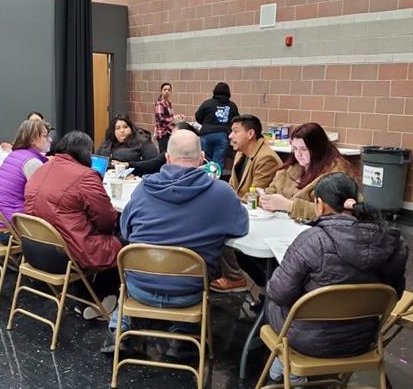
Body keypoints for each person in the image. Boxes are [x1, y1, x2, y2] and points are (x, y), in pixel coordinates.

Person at [104, 129, 249, 356]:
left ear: (167, 158)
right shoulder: (222, 194)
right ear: (202, 159)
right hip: (189, 291)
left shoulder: (143, 190)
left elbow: (126, 230)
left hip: (139, 287)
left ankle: (118, 328)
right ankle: (183, 335)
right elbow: (241, 227)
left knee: (127, 276)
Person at [262, 172, 408, 383]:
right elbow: (395, 293)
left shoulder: (313, 240)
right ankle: (285, 364)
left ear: (319, 205)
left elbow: (279, 293)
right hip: (363, 338)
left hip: (308, 340)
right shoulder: (393, 242)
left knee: (270, 297)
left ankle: (286, 363)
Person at [24, 131, 121, 318]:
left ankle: (82, 298)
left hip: (34, 247)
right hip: (65, 255)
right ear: (85, 153)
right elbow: (108, 220)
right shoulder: (85, 176)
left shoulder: (43, 168)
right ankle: (103, 298)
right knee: (121, 242)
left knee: (77, 235)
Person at [210, 114, 282, 293]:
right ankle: (228, 273)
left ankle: (236, 277)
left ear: (250, 134)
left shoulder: (266, 158)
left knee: (218, 223)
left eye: (235, 131)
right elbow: (234, 188)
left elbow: (255, 198)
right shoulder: (241, 153)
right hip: (244, 210)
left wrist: (222, 200)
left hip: (264, 218)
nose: (230, 136)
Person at [259, 122, 353, 222]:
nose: (298, 154)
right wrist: (265, 200)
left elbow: (333, 212)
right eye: (295, 149)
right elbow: (272, 190)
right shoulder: (290, 168)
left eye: (303, 149)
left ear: (317, 148)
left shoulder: (337, 173)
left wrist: (289, 205)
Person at [0, 118, 50, 228]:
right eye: (45, 136)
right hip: (11, 228)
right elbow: (42, 199)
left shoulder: (14, 154)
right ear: (32, 139)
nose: (49, 139)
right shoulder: (32, 162)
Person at [195, 82, 239, 169]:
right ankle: (216, 181)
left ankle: (204, 181)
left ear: (214, 91)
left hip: (206, 135)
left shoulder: (207, 103)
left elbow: (198, 117)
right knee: (217, 164)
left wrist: (205, 123)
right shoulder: (232, 105)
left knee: (205, 161)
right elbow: (237, 121)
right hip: (222, 136)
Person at [154, 82, 183, 153]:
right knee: (163, 154)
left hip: (169, 131)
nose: (167, 91)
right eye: (165, 89)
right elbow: (160, 118)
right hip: (162, 132)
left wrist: (178, 117)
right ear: (161, 91)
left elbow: (169, 116)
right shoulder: (159, 103)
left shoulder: (168, 103)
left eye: (169, 90)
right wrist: (174, 118)